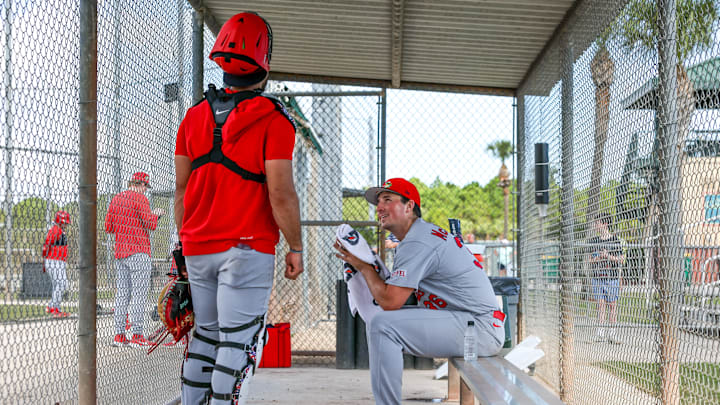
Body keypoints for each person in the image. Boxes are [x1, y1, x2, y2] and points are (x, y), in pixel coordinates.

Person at [174, 11, 304, 405]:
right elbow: (280, 193)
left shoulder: (193, 116)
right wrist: (295, 247)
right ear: (264, 65)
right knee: (238, 339)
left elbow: (180, 189)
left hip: (198, 246)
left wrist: (184, 242)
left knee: (206, 336)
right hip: (246, 248)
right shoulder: (275, 120)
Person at [333, 178, 504, 405]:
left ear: (409, 206)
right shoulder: (420, 236)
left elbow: (391, 302)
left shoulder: (418, 241)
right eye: (378, 202)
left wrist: (363, 267)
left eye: (388, 199)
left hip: (479, 329)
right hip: (473, 323)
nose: (380, 207)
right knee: (384, 323)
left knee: (382, 325)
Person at [104, 171, 165, 347]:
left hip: (121, 254)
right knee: (139, 295)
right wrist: (157, 214)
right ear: (142, 184)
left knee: (123, 294)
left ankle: (119, 336)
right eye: (145, 186)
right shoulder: (140, 198)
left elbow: (109, 227)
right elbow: (151, 224)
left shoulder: (116, 198)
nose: (145, 190)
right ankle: (137, 335)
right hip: (138, 252)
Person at [588, 211, 625, 344]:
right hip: (598, 277)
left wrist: (608, 256)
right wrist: (599, 257)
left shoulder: (615, 240)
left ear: (605, 224)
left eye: (597, 223)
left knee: (612, 306)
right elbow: (590, 260)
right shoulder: (594, 241)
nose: (595, 226)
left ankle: (613, 333)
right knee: (600, 305)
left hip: (612, 278)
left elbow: (621, 259)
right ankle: (600, 333)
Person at [42, 210, 71, 317]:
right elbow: (46, 245)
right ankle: (53, 307)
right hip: (54, 261)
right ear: (60, 221)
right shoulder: (55, 230)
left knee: (58, 285)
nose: (66, 224)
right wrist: (44, 260)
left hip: (58, 261)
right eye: (65, 222)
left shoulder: (60, 230)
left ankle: (53, 307)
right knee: (62, 284)